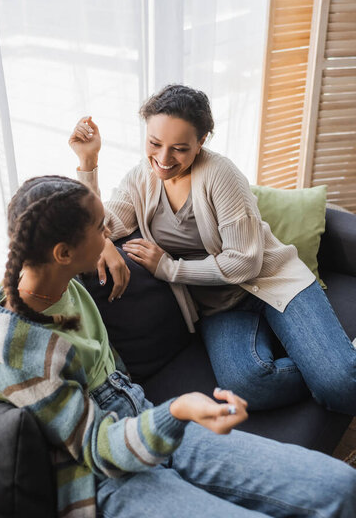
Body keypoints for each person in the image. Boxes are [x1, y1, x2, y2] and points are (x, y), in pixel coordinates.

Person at [0, 175, 356, 518]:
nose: (110, 231)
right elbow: (98, 447)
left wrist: (100, 236)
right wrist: (177, 410)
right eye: (99, 228)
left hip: (143, 417)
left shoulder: (45, 270)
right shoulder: (19, 353)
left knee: (340, 487)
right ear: (62, 253)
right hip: (103, 475)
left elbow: (56, 215)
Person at [69, 84, 356, 413]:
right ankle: (330, 366)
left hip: (273, 282)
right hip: (220, 308)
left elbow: (244, 263)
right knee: (250, 384)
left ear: (201, 142)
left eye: (179, 148)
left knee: (341, 388)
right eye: (154, 143)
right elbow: (98, 226)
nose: (163, 159)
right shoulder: (140, 178)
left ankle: (336, 371)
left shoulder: (221, 175)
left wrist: (170, 269)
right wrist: (88, 162)